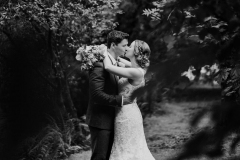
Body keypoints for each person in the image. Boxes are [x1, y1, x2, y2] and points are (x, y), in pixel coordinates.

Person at [103, 40, 155, 160]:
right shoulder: (135, 67)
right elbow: (120, 61)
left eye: (130, 46)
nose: (126, 48)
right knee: (126, 149)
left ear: (136, 51)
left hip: (126, 115)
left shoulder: (136, 72)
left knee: (126, 151)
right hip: (126, 112)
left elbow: (108, 67)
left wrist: (103, 51)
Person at [86, 30, 132, 160]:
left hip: (114, 119)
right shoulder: (99, 65)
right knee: (100, 157)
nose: (126, 48)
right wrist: (121, 100)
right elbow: (96, 94)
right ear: (113, 45)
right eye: (124, 45)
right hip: (101, 120)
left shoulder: (116, 62)